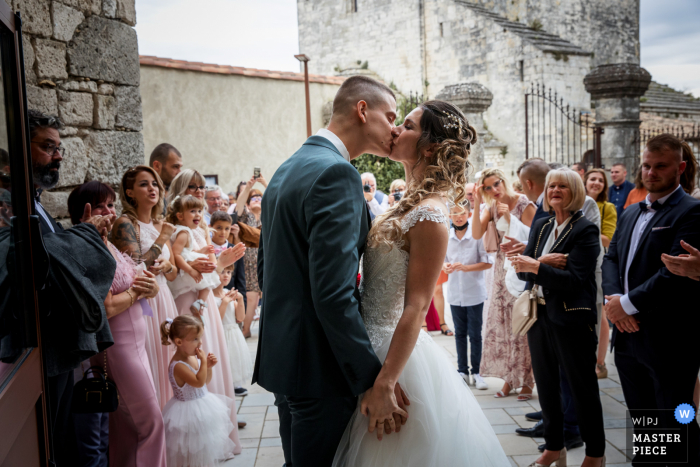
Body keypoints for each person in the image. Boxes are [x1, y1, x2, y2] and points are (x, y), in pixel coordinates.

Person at [332, 100, 509, 466]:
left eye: (408, 126)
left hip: (393, 351)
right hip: (365, 341)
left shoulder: (430, 214)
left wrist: (385, 381)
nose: (396, 129)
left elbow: (416, 305)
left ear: (429, 147)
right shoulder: (401, 206)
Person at [255, 75, 403, 466]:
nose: (396, 128)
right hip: (321, 368)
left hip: (286, 357)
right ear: (361, 110)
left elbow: (267, 266)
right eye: (390, 116)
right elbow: (333, 293)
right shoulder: (337, 174)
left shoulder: (291, 166)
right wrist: (372, 379)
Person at [603, 133, 700, 466]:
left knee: (676, 417)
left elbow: (675, 271)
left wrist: (626, 305)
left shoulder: (693, 212)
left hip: (670, 338)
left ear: (680, 167)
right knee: (642, 414)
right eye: (646, 165)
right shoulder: (630, 212)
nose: (651, 172)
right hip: (627, 335)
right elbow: (611, 258)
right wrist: (615, 300)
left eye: (661, 166)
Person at [28, 110, 116, 466]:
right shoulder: (12, 206)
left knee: (60, 438)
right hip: (36, 348)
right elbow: (42, 262)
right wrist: (86, 234)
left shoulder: (36, 204)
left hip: (56, 348)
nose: (59, 155)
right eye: (47, 146)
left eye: (59, 147)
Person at [511, 168, 605, 467]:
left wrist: (537, 267)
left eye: (562, 186)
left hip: (572, 320)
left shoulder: (585, 229)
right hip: (539, 317)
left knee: (582, 389)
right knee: (546, 386)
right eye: (551, 186)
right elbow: (521, 269)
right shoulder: (540, 225)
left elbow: (576, 279)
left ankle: (595, 454)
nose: (555, 190)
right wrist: (541, 262)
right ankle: (553, 448)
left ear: (574, 191)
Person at [68, 182, 166, 467]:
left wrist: (150, 287)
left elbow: (134, 280)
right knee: (151, 422)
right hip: (118, 348)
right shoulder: (85, 247)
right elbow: (106, 306)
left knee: (125, 425)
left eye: (111, 204)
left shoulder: (106, 241)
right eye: (100, 206)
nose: (109, 211)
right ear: (81, 213)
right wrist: (138, 292)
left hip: (136, 344)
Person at [165, 169, 245, 454]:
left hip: (205, 300)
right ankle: (195, 441)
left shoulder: (200, 227)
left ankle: (218, 434)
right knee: (193, 354)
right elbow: (175, 270)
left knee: (211, 358)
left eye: (201, 187)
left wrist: (221, 262)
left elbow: (211, 272)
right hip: (186, 301)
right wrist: (199, 266)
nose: (199, 191)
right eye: (193, 187)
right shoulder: (176, 230)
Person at [111, 166, 179, 409]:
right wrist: (161, 240)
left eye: (155, 184)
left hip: (165, 298)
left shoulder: (161, 223)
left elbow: (173, 274)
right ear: (129, 192)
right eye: (143, 184)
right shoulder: (125, 223)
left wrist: (167, 267)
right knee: (151, 361)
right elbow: (135, 265)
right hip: (143, 302)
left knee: (169, 360)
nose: (152, 188)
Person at [471, 167, 536, 400]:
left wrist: (510, 217)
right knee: (505, 324)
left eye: (496, 184)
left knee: (522, 323)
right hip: (500, 270)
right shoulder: (491, 206)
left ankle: (527, 381)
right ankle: (510, 379)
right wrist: (478, 202)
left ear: (504, 180)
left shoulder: (523, 203)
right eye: (487, 187)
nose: (493, 190)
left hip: (520, 267)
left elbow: (535, 237)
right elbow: (476, 234)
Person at [160, 315, 236, 466]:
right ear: (179, 342)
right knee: (191, 450)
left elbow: (205, 382)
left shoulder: (191, 357)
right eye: (195, 339)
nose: (200, 342)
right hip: (187, 413)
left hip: (202, 407)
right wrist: (203, 364)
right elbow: (198, 382)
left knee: (205, 447)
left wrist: (208, 367)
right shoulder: (178, 365)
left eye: (200, 337)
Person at [443, 199, 493, 390]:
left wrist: (466, 267)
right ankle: (462, 371)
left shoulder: (476, 235)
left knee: (475, 334)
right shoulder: (446, 236)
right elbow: (442, 261)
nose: (458, 216)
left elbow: (488, 262)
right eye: (454, 213)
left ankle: (477, 372)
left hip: (474, 293)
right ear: (449, 216)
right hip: (455, 293)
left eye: (461, 213)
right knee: (460, 334)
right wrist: (445, 266)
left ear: (469, 214)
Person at [584, 168, 617, 380]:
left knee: (601, 314)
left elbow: (608, 239)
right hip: (579, 263)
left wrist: (584, 230)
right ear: (584, 181)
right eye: (592, 179)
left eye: (600, 181)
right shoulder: (575, 202)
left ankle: (600, 362)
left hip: (598, 262)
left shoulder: (607, 207)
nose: (596, 183)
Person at [166, 195, 221, 315]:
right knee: (210, 277)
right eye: (192, 211)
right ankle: (200, 302)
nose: (198, 215)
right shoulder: (184, 232)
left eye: (200, 211)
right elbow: (176, 255)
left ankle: (200, 302)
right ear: (180, 216)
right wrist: (190, 270)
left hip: (188, 262)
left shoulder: (184, 230)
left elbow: (187, 251)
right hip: (186, 270)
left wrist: (202, 252)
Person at [212, 265, 253, 393]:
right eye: (222, 272)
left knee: (234, 358)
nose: (226, 275)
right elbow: (216, 320)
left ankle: (235, 384)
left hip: (233, 333)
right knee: (223, 359)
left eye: (229, 272)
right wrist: (224, 302)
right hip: (221, 333)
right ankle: (222, 384)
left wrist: (240, 300)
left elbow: (240, 318)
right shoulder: (210, 297)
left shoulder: (227, 292)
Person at [236, 180, 264, 338]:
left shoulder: (268, 215)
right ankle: (245, 331)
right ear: (248, 203)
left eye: (260, 197)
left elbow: (277, 198)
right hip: (247, 263)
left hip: (264, 262)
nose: (257, 199)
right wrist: (248, 188)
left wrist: (265, 183)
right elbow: (239, 206)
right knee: (251, 298)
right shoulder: (246, 216)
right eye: (254, 198)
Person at [210, 211, 247, 313]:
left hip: (231, 300)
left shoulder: (234, 249)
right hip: (211, 298)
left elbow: (241, 278)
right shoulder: (206, 248)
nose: (223, 232)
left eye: (227, 228)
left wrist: (242, 303)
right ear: (210, 227)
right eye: (219, 228)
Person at [517, 158, 552, 224]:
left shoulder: (545, 209)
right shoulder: (556, 200)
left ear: (529, 184)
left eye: (522, 184)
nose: (523, 189)